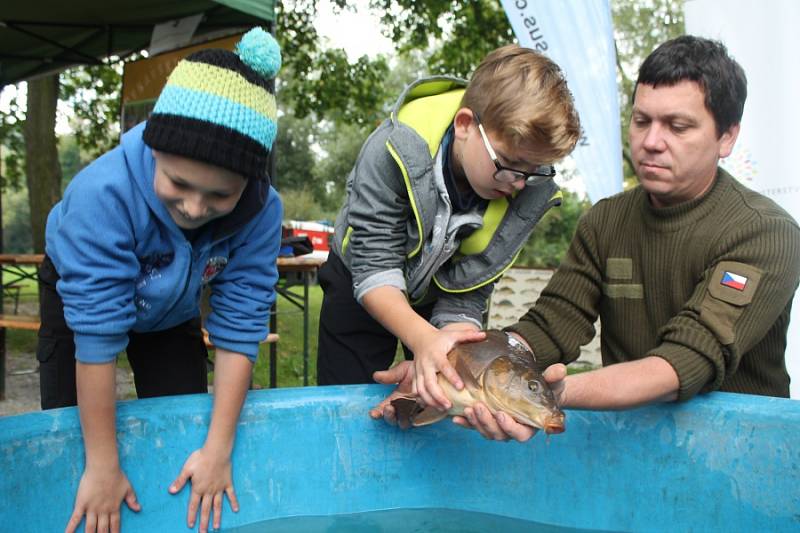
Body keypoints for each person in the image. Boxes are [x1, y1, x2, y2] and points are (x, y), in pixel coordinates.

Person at [370, 35, 800, 442]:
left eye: (678, 126)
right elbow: (550, 326)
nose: (651, 142)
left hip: (742, 452)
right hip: (630, 442)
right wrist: (460, 368)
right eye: (641, 120)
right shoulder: (607, 219)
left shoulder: (766, 233)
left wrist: (542, 398)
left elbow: (684, 362)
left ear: (727, 137)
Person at [36, 28, 283, 533]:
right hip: (78, 302)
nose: (195, 208)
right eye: (178, 183)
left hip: (174, 309)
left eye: (221, 196)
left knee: (183, 415)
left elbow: (240, 328)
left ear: (250, 184)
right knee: (66, 429)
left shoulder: (262, 210)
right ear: (153, 149)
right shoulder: (101, 195)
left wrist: (217, 451)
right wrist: (103, 465)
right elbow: (99, 336)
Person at [316, 44, 582, 412]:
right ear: (465, 126)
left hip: (437, 293)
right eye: (509, 164)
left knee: (435, 399)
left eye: (535, 171)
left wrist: (448, 346)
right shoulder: (393, 148)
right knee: (343, 402)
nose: (519, 184)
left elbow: (469, 291)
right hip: (359, 279)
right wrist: (424, 340)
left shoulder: (524, 186)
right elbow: (374, 267)